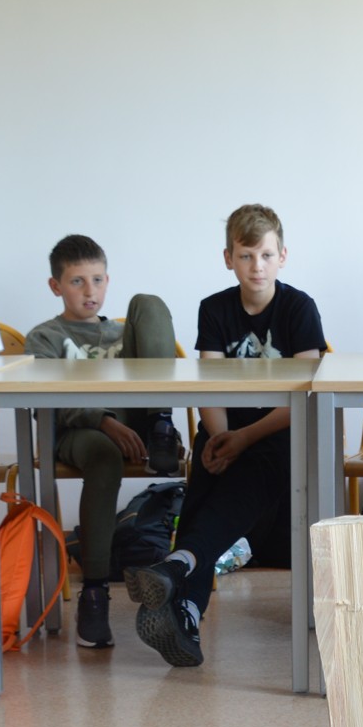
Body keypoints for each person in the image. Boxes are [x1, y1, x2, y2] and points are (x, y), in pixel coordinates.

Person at [123, 204, 323, 668]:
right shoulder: (214, 308)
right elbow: (209, 386)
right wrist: (221, 437)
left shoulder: (299, 308)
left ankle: (179, 571)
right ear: (228, 258)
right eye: (246, 256)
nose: (257, 266)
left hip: (279, 429)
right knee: (202, 494)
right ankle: (187, 609)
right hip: (224, 429)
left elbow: (305, 393)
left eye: (266, 255)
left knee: (248, 476)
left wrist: (243, 439)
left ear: (283, 256)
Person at [22, 233, 185, 648]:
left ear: (107, 281)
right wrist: (104, 421)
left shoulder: (124, 333)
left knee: (149, 303)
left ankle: (162, 426)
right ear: (56, 286)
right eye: (77, 281)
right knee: (104, 455)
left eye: (97, 280)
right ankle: (94, 593)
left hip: (137, 422)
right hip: (78, 432)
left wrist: (145, 419)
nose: (89, 291)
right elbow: (48, 402)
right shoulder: (44, 337)